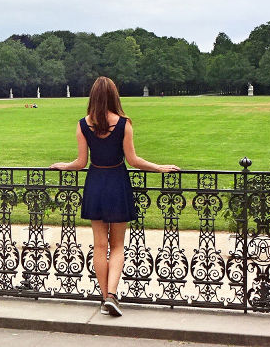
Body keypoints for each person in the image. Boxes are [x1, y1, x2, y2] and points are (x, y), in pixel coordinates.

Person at [49, 76, 178, 317]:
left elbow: (81, 162)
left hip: (95, 183)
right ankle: (111, 295)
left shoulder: (83, 125)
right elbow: (133, 160)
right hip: (117, 183)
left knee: (100, 245)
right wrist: (159, 167)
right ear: (114, 96)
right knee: (117, 245)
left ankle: (104, 298)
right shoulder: (124, 124)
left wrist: (64, 166)